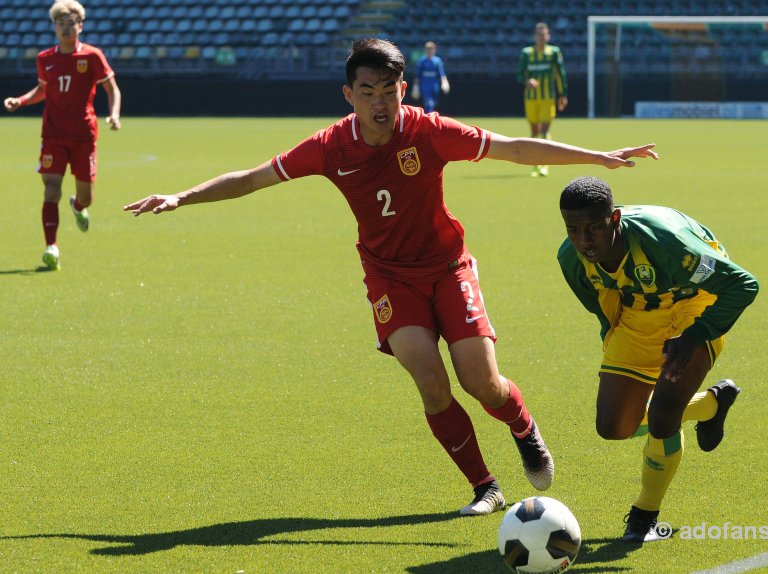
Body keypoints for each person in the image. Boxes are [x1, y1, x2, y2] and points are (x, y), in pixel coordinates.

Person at [124, 39, 657, 516]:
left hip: (449, 269)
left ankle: (522, 428)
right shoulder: (330, 146)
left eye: (389, 90)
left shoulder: (427, 130)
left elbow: (513, 148)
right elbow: (253, 178)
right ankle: (485, 486)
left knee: (482, 382)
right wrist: (182, 197)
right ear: (348, 95)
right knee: (429, 380)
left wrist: (597, 157)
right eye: (367, 91)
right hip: (388, 278)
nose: (380, 102)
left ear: (403, 89)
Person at [557, 176, 758, 542]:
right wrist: (613, 342)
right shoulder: (570, 259)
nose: (584, 242)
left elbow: (743, 284)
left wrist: (696, 335)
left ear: (614, 220)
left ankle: (644, 516)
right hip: (639, 315)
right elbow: (602, 307)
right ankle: (712, 405)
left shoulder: (664, 243)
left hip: (694, 305)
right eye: (573, 230)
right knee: (614, 426)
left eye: (594, 229)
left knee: (664, 413)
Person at [4, 0, 121, 271]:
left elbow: (112, 89)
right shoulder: (45, 58)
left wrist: (114, 114)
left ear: (80, 26)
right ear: (54, 27)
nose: (66, 28)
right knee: (51, 188)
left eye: (71, 24)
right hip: (53, 135)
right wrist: (20, 101)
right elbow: (43, 90)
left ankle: (78, 207)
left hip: (84, 135)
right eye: (61, 24)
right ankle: (51, 247)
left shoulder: (92, 56)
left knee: (86, 197)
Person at [517, 23, 567, 178]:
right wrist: (528, 81)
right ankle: (534, 164)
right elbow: (520, 75)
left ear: (548, 36)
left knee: (544, 131)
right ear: (535, 37)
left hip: (548, 97)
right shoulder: (526, 53)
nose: (541, 37)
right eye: (538, 35)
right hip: (531, 98)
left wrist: (562, 94)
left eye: (544, 34)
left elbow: (561, 74)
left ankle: (544, 165)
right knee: (534, 132)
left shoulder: (553, 52)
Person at [411, 41, 450, 113]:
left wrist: (445, 82)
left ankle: (429, 116)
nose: (430, 51)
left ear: (434, 50)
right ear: (425, 50)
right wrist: (415, 86)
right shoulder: (422, 61)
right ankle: (429, 118)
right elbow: (418, 75)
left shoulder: (438, 61)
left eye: (432, 49)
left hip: (435, 85)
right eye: (428, 49)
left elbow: (441, 74)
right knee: (429, 102)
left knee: (434, 102)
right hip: (425, 85)